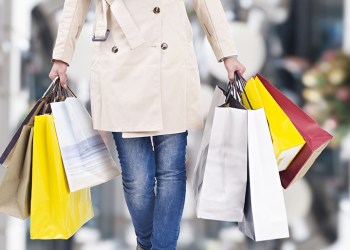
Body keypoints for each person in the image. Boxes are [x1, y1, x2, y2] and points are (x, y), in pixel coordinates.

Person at [49, 0, 245, 249]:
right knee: (137, 180)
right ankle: (145, 242)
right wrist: (62, 57)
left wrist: (228, 53)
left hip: (169, 63)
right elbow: (76, 4)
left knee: (172, 171)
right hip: (119, 63)